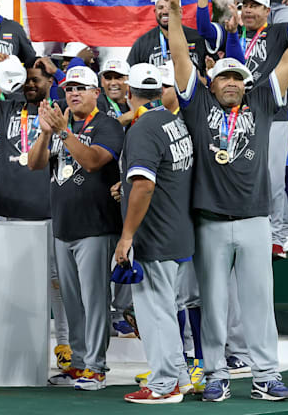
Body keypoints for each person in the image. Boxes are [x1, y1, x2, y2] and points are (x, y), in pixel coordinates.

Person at [166, 0, 288, 402]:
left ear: (245, 84)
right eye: (223, 77)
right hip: (210, 221)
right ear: (212, 82)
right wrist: (172, 16)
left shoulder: (262, 102)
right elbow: (180, 57)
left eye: (236, 78)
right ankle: (217, 374)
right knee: (214, 303)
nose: (230, 83)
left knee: (261, 301)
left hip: (256, 219)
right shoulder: (198, 103)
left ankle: (265, 373)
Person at [0, 56, 74, 372]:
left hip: (47, 209)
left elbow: (91, 98)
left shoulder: (59, 112)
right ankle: (20, 345)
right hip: (10, 210)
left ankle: (63, 343)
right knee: (14, 283)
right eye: (28, 79)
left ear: (48, 83)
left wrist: (57, 72)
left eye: (38, 79)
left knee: (55, 281)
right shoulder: (5, 109)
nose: (31, 84)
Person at [196, 0, 288, 258]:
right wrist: (202, 0)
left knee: (273, 177)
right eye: (244, 5)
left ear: (267, 11)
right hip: (240, 117)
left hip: (273, 112)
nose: (248, 11)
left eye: (255, 6)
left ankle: (279, 234)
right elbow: (205, 30)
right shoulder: (231, 32)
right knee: (252, 174)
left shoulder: (276, 33)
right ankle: (281, 231)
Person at [28, 66, 124, 391]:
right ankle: (79, 364)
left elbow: (94, 161)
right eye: (69, 88)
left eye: (81, 88)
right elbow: (35, 164)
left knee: (95, 301)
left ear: (97, 92)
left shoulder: (106, 124)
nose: (74, 93)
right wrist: (45, 133)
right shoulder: (58, 128)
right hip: (63, 226)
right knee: (71, 302)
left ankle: (96, 368)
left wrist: (64, 132)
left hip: (96, 226)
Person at [111, 62, 195, 405]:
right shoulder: (174, 122)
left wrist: (127, 235)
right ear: (162, 91)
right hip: (176, 228)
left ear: (129, 93)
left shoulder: (143, 128)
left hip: (154, 233)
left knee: (154, 311)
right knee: (164, 307)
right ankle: (179, 376)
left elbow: (145, 186)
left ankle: (163, 386)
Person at [126, 0, 210, 74]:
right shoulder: (142, 43)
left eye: (170, 7)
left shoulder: (198, 38)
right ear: (155, 12)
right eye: (160, 7)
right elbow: (129, 74)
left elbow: (212, 71)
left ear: (180, 12)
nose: (165, 11)